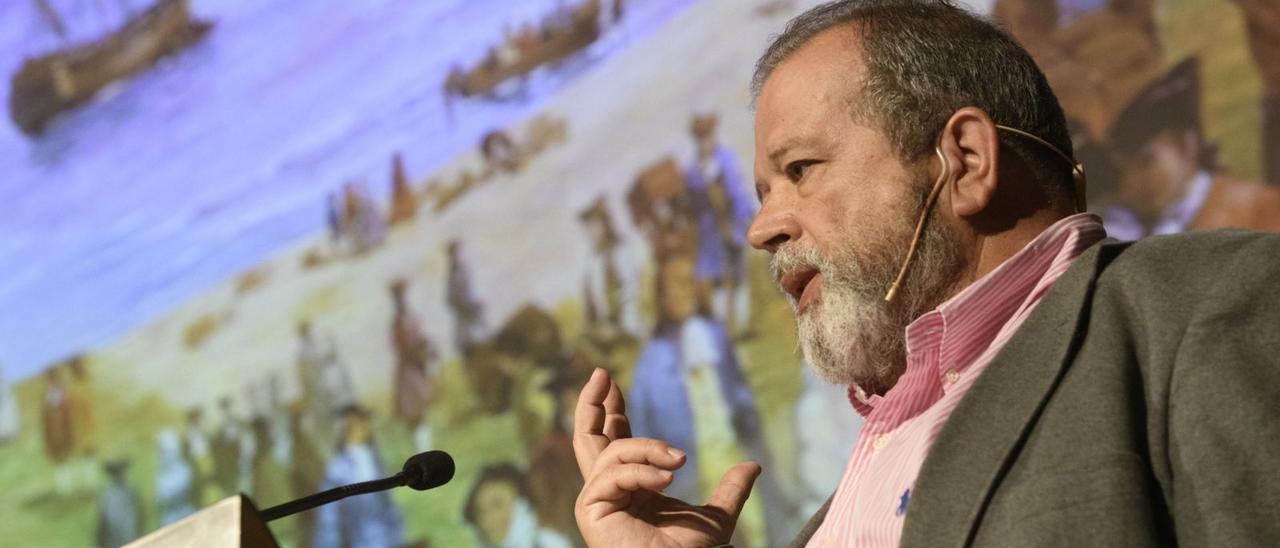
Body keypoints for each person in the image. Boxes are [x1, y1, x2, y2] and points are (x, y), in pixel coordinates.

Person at [572, 1, 1280, 546]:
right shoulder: (824, 522)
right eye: (763, 194)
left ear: (964, 163)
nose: (763, 230)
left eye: (799, 171)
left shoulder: (1200, 309)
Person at [1103, 58, 1280, 239]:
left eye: (1146, 162)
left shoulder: (1260, 209)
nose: (1132, 184)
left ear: (1184, 145)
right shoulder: (1135, 225)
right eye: (1123, 169)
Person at [684, 113, 756, 337]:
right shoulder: (692, 170)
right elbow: (691, 204)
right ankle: (723, 330)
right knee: (715, 278)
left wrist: (746, 216)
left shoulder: (725, 159)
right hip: (709, 230)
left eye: (708, 135)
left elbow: (737, 190)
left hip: (731, 224)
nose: (705, 141)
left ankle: (743, 325)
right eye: (701, 137)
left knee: (738, 275)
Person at [313, 405, 403, 548]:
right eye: (354, 425)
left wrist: (396, 537)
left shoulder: (374, 459)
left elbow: (387, 505)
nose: (363, 426)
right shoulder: (338, 468)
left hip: (385, 539)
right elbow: (328, 519)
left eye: (362, 422)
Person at [464, 463, 572, 548]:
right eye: (481, 511)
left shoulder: (549, 544)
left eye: (498, 505)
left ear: (521, 504)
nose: (488, 520)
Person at [389, 279, 438, 451]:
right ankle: (422, 450)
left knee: (421, 411)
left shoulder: (410, 316)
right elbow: (404, 347)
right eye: (399, 296)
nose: (402, 299)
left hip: (416, 368)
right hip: (409, 371)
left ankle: (426, 448)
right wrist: (420, 352)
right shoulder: (398, 322)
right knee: (415, 413)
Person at [97, 458, 143, 547]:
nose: (119, 475)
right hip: (114, 541)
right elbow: (103, 524)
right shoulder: (108, 495)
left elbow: (140, 517)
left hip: (131, 538)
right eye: (116, 473)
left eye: (120, 472)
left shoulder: (131, 492)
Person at [155, 428, 197, 526]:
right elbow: (161, 500)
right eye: (161, 451)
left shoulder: (184, 470)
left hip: (184, 515)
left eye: (166, 451)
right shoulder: (161, 474)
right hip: (169, 519)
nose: (164, 455)